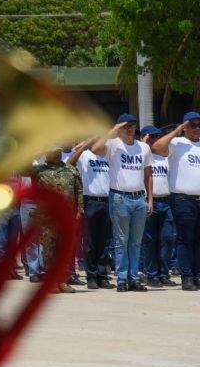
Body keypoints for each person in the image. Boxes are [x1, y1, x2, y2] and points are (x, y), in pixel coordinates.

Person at [91, 114, 153, 292]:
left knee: (136, 242)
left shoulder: (143, 147)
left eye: (132, 125)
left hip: (139, 198)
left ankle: (134, 279)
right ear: (119, 128)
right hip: (120, 197)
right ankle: (122, 279)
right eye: (126, 126)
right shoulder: (113, 145)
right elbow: (95, 149)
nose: (130, 128)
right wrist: (112, 130)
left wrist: (150, 199)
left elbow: (148, 175)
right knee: (121, 241)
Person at [151, 111, 200, 291]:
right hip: (183, 199)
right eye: (192, 125)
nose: (197, 128)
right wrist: (177, 130)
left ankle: (197, 274)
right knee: (185, 239)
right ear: (185, 127)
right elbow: (156, 147)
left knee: (198, 240)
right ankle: (187, 277)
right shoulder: (177, 143)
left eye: (199, 125)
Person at [31, 147, 84, 293]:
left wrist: (80, 210)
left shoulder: (71, 170)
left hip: (67, 217)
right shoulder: (38, 171)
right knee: (49, 250)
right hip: (48, 217)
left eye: (58, 152)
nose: (57, 154)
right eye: (53, 152)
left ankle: (62, 281)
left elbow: (79, 190)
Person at [67, 137, 115, 289]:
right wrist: (84, 145)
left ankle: (102, 276)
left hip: (107, 200)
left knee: (104, 241)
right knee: (90, 241)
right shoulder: (85, 155)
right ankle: (91, 276)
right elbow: (69, 163)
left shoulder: (107, 155)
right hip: (90, 201)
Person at [139, 126, 177, 288]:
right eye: (152, 136)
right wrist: (143, 143)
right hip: (149, 201)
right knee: (149, 240)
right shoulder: (141, 156)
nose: (155, 139)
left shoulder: (165, 157)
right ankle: (152, 275)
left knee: (167, 239)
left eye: (158, 136)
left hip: (166, 201)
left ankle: (164, 273)